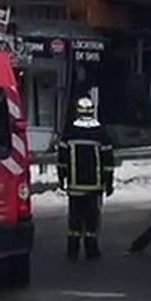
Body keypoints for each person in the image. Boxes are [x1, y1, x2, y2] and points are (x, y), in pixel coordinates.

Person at [56, 96, 115, 260]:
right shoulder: (100, 133)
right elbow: (108, 161)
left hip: (75, 186)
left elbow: (62, 160)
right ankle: (92, 250)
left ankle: (72, 250)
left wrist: (62, 179)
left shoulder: (69, 132)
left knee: (74, 219)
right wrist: (108, 183)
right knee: (92, 219)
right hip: (94, 187)